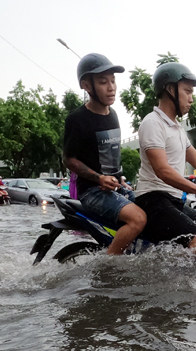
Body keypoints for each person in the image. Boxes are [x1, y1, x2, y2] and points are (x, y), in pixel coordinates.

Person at [135, 62, 196, 255]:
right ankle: (184, 285)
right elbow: (162, 170)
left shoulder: (177, 127)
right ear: (170, 89)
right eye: (187, 92)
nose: (191, 99)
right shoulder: (153, 123)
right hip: (152, 200)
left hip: (173, 201)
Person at [63, 53, 146, 255]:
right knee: (138, 218)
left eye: (113, 80)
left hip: (116, 188)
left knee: (153, 208)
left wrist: (120, 180)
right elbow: (69, 159)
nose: (111, 87)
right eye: (103, 82)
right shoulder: (77, 119)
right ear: (86, 86)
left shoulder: (113, 115)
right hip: (92, 192)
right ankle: (109, 266)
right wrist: (98, 178)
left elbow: (112, 156)